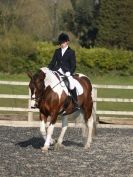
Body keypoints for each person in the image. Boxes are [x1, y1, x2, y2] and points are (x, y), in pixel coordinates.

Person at [48, 32, 80, 109]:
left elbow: (73, 65)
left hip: (67, 72)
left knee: (71, 84)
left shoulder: (71, 52)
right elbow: (53, 62)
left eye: (63, 42)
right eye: (60, 42)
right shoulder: (57, 51)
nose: (61, 44)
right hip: (57, 71)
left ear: (67, 42)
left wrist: (70, 72)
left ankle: (75, 102)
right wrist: (48, 69)